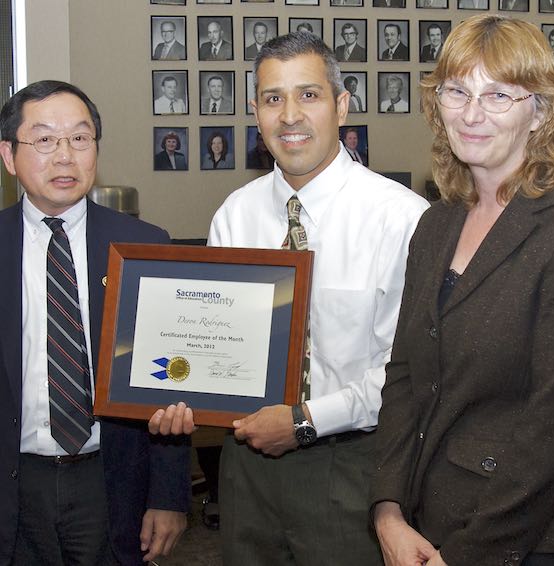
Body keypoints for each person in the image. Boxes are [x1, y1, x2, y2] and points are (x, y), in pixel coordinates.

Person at [150, 30, 428, 566]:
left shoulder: (402, 219)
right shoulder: (235, 215)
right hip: (245, 466)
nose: (290, 115)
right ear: (255, 113)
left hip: (352, 465)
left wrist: (305, 420)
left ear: (341, 105)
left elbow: (407, 374)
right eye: (273, 98)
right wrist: (173, 390)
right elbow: (209, 346)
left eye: (309, 95)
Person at [371, 14, 554, 566]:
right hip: (422, 520)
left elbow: (553, 422)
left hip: (521, 538)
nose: (473, 113)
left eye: (499, 95)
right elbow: (406, 377)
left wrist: (468, 554)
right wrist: (387, 510)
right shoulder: (436, 224)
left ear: (541, 112)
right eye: (458, 91)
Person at [0, 80, 190, 566]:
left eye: (80, 139)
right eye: (43, 140)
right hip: (14, 479)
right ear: (8, 154)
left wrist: (168, 496)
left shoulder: (146, 244)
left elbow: (172, 382)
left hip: (111, 481)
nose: (64, 157)